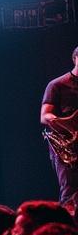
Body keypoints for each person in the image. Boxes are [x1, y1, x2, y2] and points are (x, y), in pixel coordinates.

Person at [40, 45, 78, 207]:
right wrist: (67, 124)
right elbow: (45, 116)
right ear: (75, 58)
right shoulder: (57, 85)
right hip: (69, 148)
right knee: (70, 193)